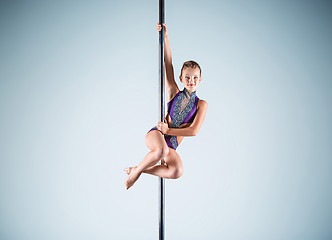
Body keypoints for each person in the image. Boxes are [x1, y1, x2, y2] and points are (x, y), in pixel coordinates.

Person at [124, 23, 208, 190]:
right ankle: (134, 176)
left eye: (195, 78)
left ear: (200, 80)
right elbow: (168, 63)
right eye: (187, 77)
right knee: (161, 151)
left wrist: (169, 131)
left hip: (170, 144)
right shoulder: (173, 92)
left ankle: (138, 170)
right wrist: (166, 37)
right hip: (156, 135)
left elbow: (193, 131)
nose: (191, 81)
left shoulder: (201, 104)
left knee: (177, 171)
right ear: (181, 78)